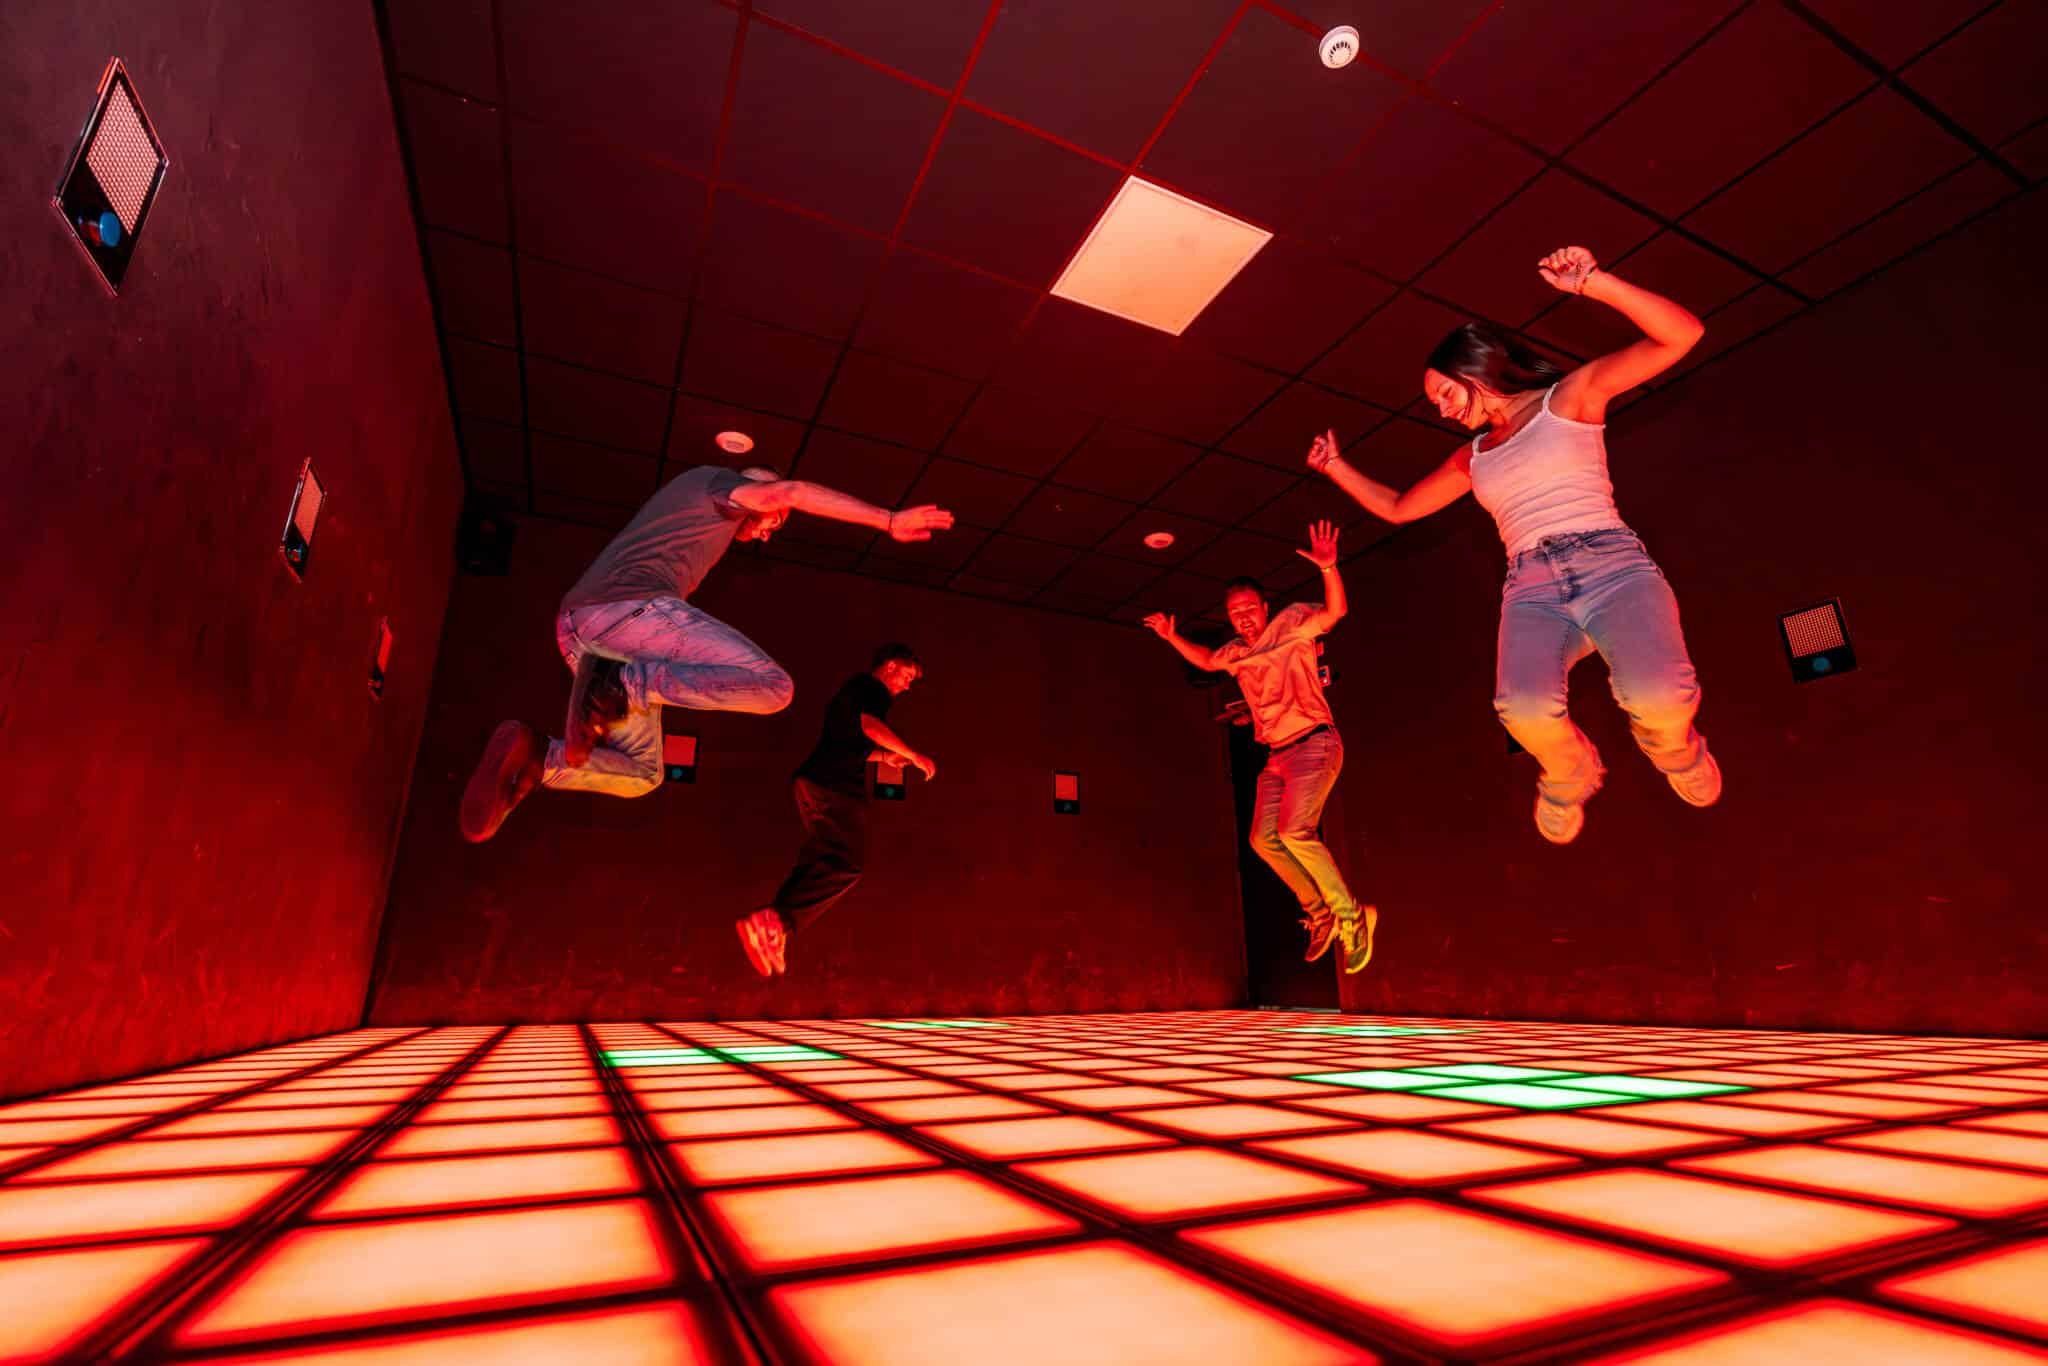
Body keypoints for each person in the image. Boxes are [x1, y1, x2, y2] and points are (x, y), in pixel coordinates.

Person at [1306, 243, 1719, 845]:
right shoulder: (1472, 456)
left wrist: (1595, 283)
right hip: (1532, 589)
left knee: (1659, 695)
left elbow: (1682, 335)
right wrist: (1336, 467)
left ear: (1475, 369)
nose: (1443, 410)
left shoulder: (1570, 398)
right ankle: (1570, 773)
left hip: (1611, 568)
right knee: (1521, 709)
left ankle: (1676, 750)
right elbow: (1399, 508)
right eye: (1436, 404)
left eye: (1445, 393)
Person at [459, 465, 953, 842]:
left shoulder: (697, 524)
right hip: (622, 616)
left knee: (643, 774)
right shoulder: (716, 486)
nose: (768, 533)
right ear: (757, 491)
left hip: (592, 640)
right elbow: (790, 491)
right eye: (774, 522)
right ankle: (624, 684)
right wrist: (887, 519)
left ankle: (536, 759)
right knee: (774, 688)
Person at [1144, 521, 1376, 974]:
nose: (1245, 617)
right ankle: (1320, 912)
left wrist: (1328, 569)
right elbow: (1207, 660)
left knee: (1294, 832)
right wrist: (1172, 637)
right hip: (1277, 758)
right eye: (1236, 613)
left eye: (1251, 608)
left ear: (1265, 607)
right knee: (1262, 839)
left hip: (1314, 744)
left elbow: (1335, 612)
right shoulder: (1235, 653)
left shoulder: (1292, 624)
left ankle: (1352, 916)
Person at [736, 643, 934, 977]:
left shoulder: (852, 694)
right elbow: (870, 727)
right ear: (889, 666)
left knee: (824, 860)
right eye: (907, 676)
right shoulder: (871, 689)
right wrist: (914, 755)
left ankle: (774, 925)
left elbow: (848, 742)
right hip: (832, 787)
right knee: (845, 864)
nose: (907, 685)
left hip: (816, 783)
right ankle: (775, 921)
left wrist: (884, 758)